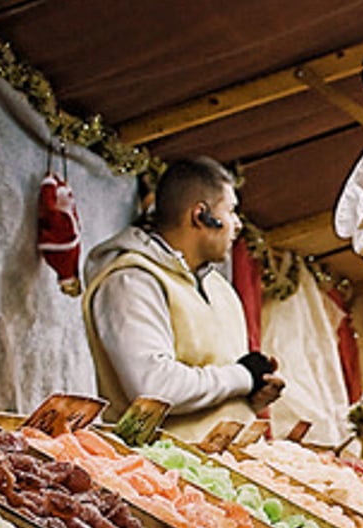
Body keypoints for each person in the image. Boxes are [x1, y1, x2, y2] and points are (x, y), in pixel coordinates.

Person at [82, 156, 284, 440]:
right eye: (231, 211)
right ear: (200, 215)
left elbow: (216, 389)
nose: (238, 225)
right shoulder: (131, 280)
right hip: (163, 472)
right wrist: (242, 377)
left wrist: (251, 396)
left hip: (232, 468)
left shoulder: (221, 290)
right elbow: (153, 388)